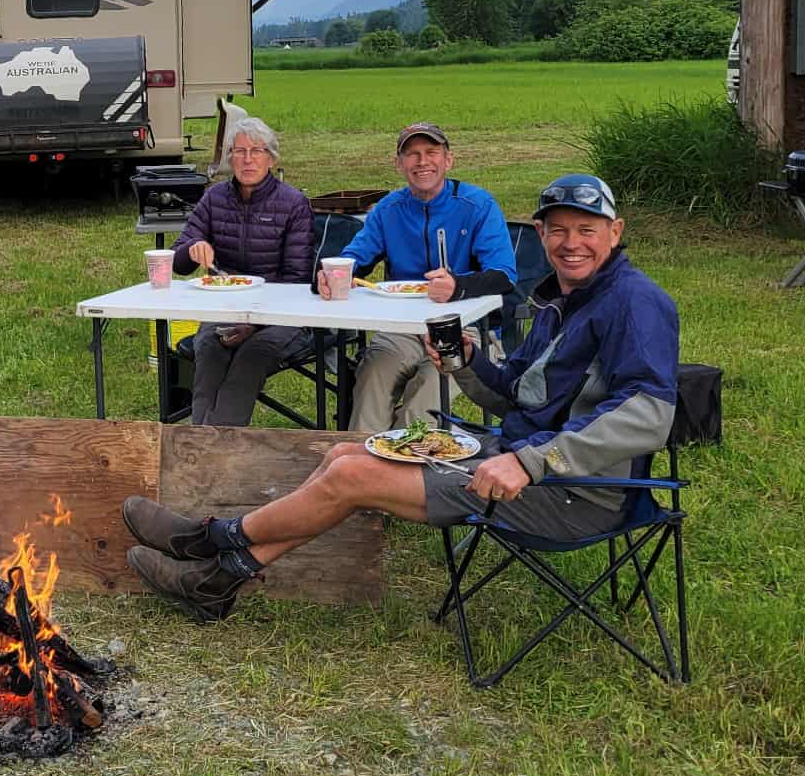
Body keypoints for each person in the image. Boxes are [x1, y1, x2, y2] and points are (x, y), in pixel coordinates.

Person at [123, 173, 678, 623]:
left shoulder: (634, 301)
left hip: (573, 491)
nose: (571, 243)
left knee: (350, 478)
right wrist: (465, 362)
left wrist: (534, 462)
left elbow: (649, 414)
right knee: (344, 456)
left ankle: (210, 540)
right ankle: (220, 578)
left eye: (587, 229)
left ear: (614, 231)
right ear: (540, 234)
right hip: (517, 457)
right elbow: (515, 398)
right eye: (558, 231)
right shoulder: (563, 298)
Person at [320, 122, 516, 433]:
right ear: (399, 164)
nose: (422, 161)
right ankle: (358, 467)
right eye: (411, 154)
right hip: (399, 329)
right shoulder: (388, 210)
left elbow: (505, 275)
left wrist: (459, 286)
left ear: (448, 160)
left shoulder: (477, 205)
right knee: (371, 382)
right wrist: (329, 275)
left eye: (431, 152)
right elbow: (355, 259)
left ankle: (397, 469)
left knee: (422, 405)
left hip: (462, 330)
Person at [169, 118, 316, 426]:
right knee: (209, 349)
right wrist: (193, 247)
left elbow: (297, 279)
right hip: (225, 310)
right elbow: (177, 263)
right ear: (230, 158)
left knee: (252, 355)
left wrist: (254, 324)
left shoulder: (294, 204)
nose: (247, 159)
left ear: (271, 158)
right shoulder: (214, 198)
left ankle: (213, 450)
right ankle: (200, 445)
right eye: (239, 151)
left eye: (256, 151)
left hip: (282, 315)